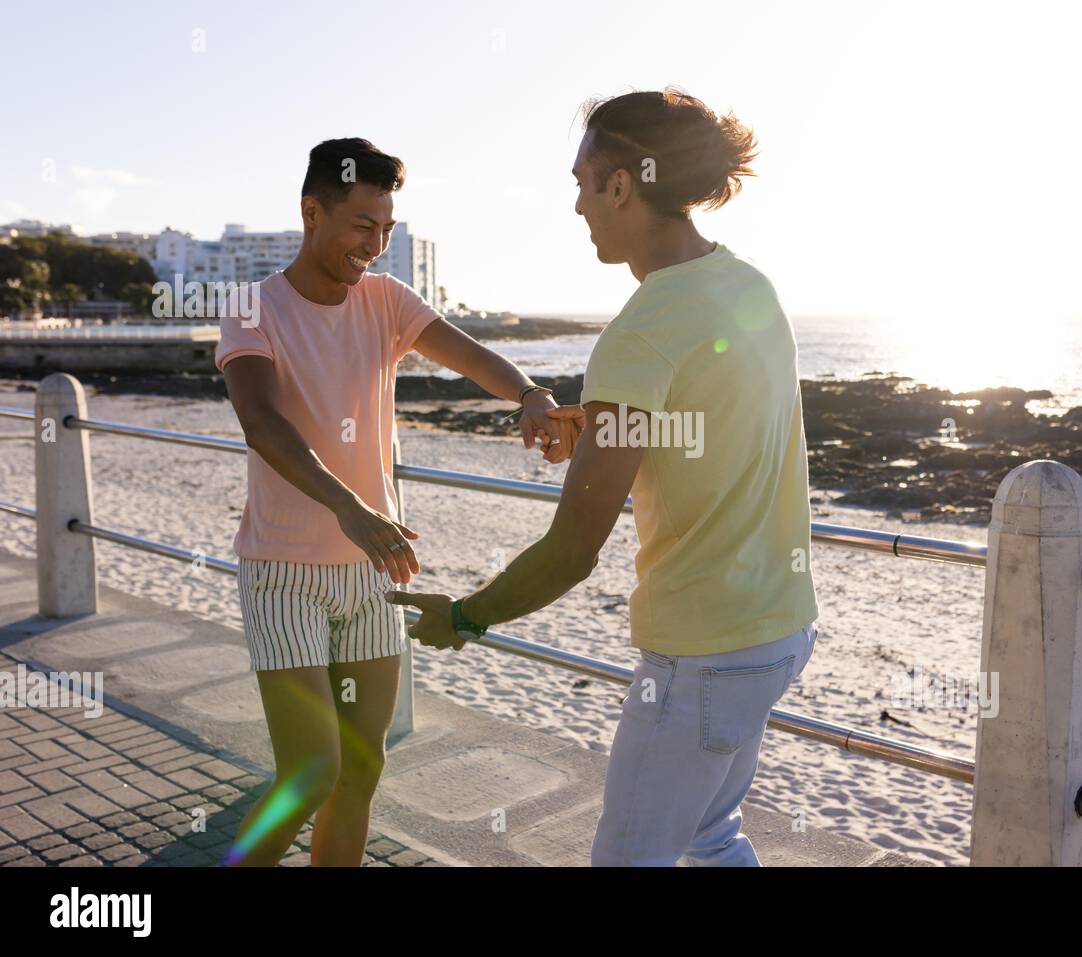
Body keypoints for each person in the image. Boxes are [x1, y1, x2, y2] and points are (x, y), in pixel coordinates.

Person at [388, 90, 820, 866]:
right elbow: (717, 420)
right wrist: (597, 431)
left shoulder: (640, 329)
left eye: (584, 181)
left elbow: (573, 549)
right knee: (711, 838)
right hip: (779, 628)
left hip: (703, 651)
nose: (577, 204)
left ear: (622, 185)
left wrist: (464, 617)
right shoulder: (747, 285)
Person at [215, 137, 578, 866]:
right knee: (310, 770)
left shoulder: (386, 300)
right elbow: (263, 421)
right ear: (311, 211)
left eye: (385, 229)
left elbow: (469, 354)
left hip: (374, 570)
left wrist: (530, 394)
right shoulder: (252, 307)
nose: (374, 247)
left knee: (362, 770)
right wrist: (349, 506)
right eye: (360, 226)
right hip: (285, 571)